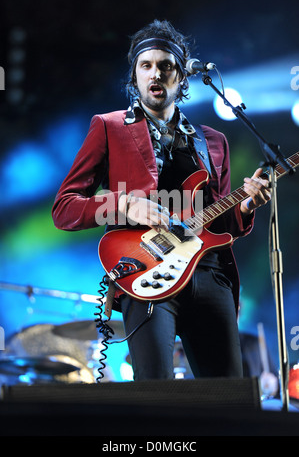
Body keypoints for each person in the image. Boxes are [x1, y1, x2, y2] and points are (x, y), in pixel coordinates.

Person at [52, 20, 271, 381]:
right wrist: (124, 204)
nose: (156, 74)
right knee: (156, 397)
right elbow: (65, 208)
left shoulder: (213, 140)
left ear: (182, 77)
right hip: (147, 272)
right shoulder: (109, 127)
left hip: (209, 273)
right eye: (146, 65)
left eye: (166, 66)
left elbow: (222, 224)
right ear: (135, 75)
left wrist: (246, 205)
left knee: (227, 398)